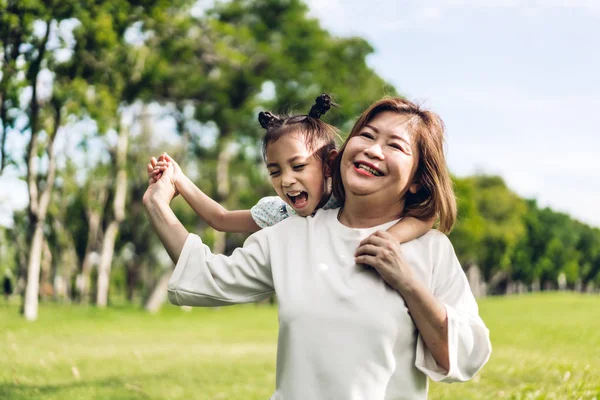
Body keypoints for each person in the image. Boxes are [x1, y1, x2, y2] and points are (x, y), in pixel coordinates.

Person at [143, 97, 492, 400]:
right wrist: (159, 206)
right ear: (339, 155)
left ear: (417, 179)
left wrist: (408, 284)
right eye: (366, 135)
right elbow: (204, 278)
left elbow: (464, 356)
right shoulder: (289, 234)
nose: (373, 149)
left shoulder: (431, 249)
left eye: (395, 145)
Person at [148, 93, 433, 242]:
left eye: (298, 166)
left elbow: (424, 216)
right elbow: (221, 219)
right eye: (275, 171)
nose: (286, 180)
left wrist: (389, 240)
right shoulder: (279, 213)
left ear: (330, 164)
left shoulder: (351, 200)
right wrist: (179, 180)